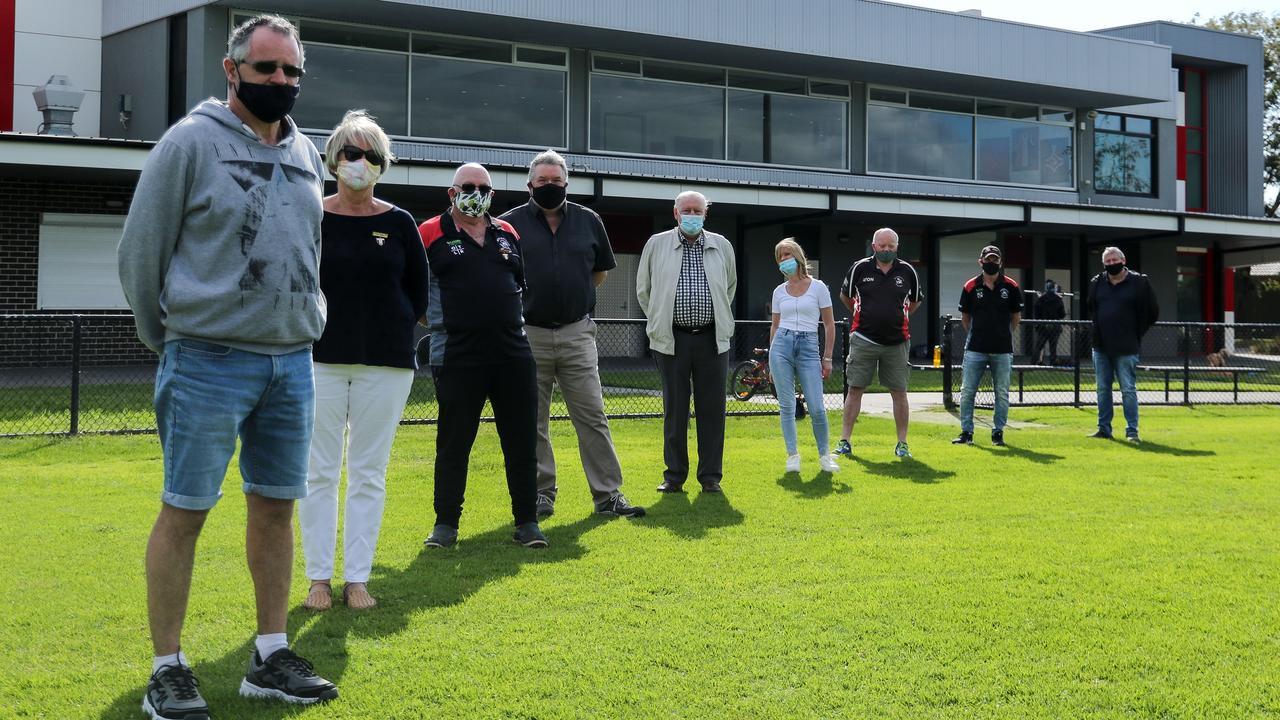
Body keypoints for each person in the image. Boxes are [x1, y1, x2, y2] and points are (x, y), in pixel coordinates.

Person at [118, 14, 338, 719]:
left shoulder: (308, 152)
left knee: (277, 509)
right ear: (231, 68)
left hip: (291, 362)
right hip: (207, 358)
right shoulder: (188, 142)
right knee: (185, 512)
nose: (281, 82)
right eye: (267, 68)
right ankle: (168, 669)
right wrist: (174, 339)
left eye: (291, 72)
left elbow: (308, 250)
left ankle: (270, 656)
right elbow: (140, 254)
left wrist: (304, 324)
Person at [297, 110, 428, 613]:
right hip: (319, 360)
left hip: (386, 365)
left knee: (368, 473)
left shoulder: (399, 223)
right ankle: (318, 581)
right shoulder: (311, 214)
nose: (360, 163)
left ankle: (358, 580)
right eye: (351, 153)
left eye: (371, 155)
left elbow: (418, 291)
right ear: (333, 159)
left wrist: (394, 327)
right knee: (320, 473)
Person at [499, 150, 644, 520]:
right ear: (529, 184)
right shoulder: (507, 225)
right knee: (532, 420)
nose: (550, 186)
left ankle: (608, 496)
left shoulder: (588, 220)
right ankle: (539, 495)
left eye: (556, 180)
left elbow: (599, 274)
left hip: (577, 332)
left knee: (592, 415)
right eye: (542, 181)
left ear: (567, 182)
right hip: (527, 334)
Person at [418, 163, 548, 548]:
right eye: (468, 186)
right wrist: (448, 323)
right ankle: (446, 525)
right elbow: (416, 294)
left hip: (513, 353)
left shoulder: (506, 232)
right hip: (457, 354)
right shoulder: (429, 232)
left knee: (521, 441)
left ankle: (527, 521)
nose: (476, 192)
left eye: (484, 187)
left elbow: (518, 285)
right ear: (452, 193)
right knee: (454, 442)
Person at [636, 190, 737, 494]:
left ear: (706, 214)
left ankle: (710, 478)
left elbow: (729, 288)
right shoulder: (656, 244)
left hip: (711, 339)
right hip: (672, 340)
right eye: (687, 210)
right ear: (676, 213)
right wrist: (659, 319)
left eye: (698, 210)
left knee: (713, 410)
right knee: (675, 410)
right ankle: (674, 476)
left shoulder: (722, 246)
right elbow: (645, 291)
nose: (692, 215)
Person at [834, 228, 921, 459]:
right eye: (882, 246)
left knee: (900, 392)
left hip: (898, 341)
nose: (886, 250)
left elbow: (914, 301)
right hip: (863, 339)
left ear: (896, 247)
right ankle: (844, 441)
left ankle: (902, 444)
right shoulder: (860, 268)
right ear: (874, 246)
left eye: (891, 246)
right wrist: (861, 315)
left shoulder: (907, 270)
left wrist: (898, 316)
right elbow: (845, 296)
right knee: (855, 389)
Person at [768, 238, 840, 473]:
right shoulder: (779, 291)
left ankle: (824, 456)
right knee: (787, 406)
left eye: (787, 254)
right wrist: (771, 361)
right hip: (782, 346)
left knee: (817, 407)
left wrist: (827, 357)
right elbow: (775, 326)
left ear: (798, 257)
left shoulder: (818, 287)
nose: (784, 260)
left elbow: (829, 325)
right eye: (780, 257)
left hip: (809, 346)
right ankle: (792, 456)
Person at [1087, 246, 1159, 443]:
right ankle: (1104, 428)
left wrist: (1136, 334)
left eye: (1114, 260)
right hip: (1101, 346)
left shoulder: (1139, 282)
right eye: (1107, 262)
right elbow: (1092, 308)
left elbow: (1152, 312)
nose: (1111, 264)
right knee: (1102, 388)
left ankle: (1132, 431)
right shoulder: (1097, 282)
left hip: (1127, 346)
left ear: (1123, 260)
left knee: (1127, 389)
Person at [952, 245, 1022, 446]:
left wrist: (1004, 335)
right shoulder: (971, 286)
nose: (991, 263)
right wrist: (975, 334)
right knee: (967, 391)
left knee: (1001, 392)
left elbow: (1016, 317)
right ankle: (966, 432)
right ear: (980, 262)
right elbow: (965, 317)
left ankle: (998, 432)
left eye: (995, 260)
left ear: (1000, 262)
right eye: (988, 260)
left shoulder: (1011, 286)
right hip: (975, 348)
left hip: (1002, 350)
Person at [1032, 280, 1066, 365]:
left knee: (1039, 346)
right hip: (1055, 326)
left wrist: (1038, 321)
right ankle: (1053, 362)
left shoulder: (1041, 299)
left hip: (1042, 326)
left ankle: (1033, 362)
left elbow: (1036, 310)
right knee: (1053, 346)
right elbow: (1062, 314)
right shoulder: (1058, 299)